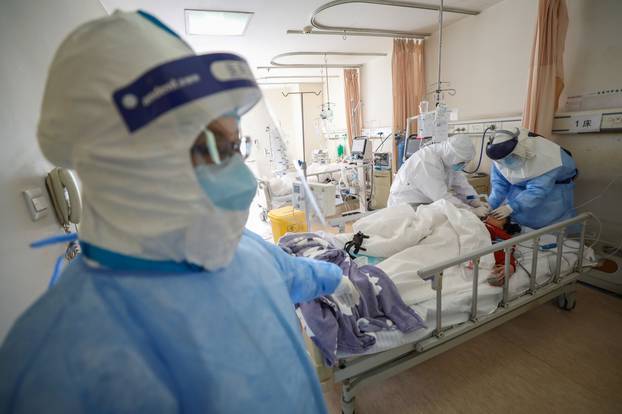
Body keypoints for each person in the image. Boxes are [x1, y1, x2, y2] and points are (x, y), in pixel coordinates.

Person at [0, 11, 359, 414]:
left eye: (234, 147)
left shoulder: (246, 250)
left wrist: (336, 277)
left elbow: (294, 274)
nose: (238, 176)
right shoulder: (52, 362)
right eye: (212, 149)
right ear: (121, 162)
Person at [487, 127, 577, 229]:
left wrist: (512, 207)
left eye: (511, 157)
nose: (507, 163)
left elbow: (537, 190)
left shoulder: (546, 157)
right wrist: (490, 204)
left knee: (550, 233)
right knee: (521, 226)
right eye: (502, 161)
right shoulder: (499, 158)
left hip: (551, 197)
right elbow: (499, 185)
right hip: (520, 196)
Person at [388, 135, 489, 217]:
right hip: (407, 207)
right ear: (452, 155)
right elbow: (442, 197)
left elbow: (462, 186)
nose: (463, 165)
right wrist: (471, 211)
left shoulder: (450, 161)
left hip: (426, 205)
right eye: (462, 162)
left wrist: (474, 200)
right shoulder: (426, 162)